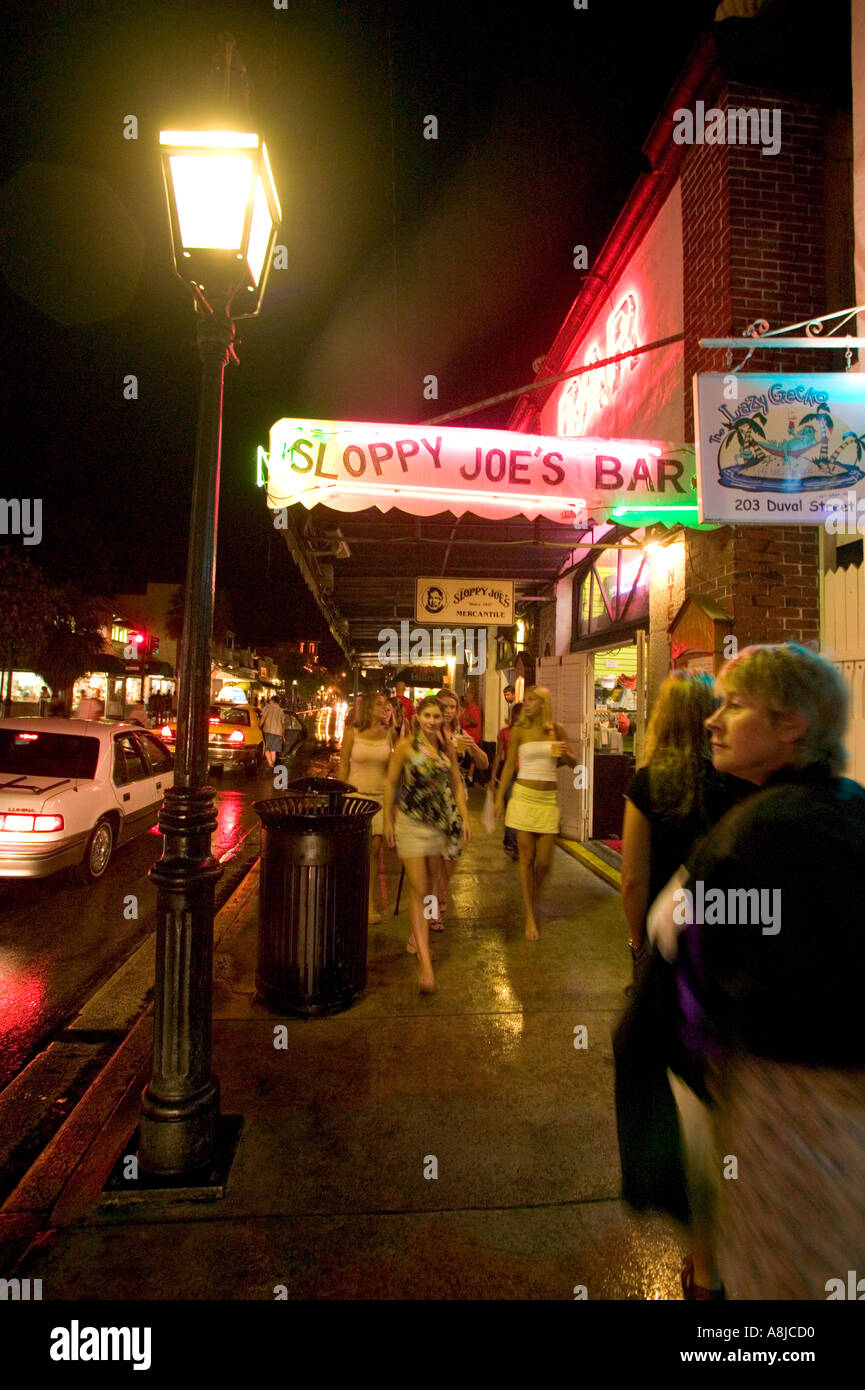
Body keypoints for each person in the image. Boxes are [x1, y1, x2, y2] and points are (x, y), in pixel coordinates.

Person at [650, 643, 865, 1301]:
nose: (713, 720)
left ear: (791, 723)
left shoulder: (757, 831)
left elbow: (690, 951)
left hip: (780, 1106)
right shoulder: (848, 805)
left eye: (734, 705)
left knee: (780, 1278)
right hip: (838, 1108)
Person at [615, 671, 753, 1298]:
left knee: (684, 1101)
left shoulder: (649, 783)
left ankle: (702, 1264)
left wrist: (639, 948)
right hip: (736, 956)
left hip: (675, 956)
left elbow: (633, 882)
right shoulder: (743, 782)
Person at [383, 695, 470, 993]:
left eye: (437, 716)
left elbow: (456, 781)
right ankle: (425, 964)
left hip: (439, 824)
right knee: (419, 888)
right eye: (428, 716)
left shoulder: (446, 746)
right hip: (410, 822)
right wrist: (387, 822)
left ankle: (417, 940)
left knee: (430, 889)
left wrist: (465, 817)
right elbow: (391, 783)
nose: (433, 721)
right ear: (418, 717)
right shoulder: (407, 746)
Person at [492, 686, 577, 939]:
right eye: (525, 700)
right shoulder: (519, 730)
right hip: (523, 797)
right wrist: (498, 798)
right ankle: (530, 914)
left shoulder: (555, 729)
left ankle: (533, 898)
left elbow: (572, 763)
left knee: (544, 863)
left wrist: (566, 754)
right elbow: (509, 767)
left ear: (543, 704)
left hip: (547, 799)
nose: (526, 704)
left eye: (532, 700)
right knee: (526, 859)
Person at [432, 687, 489, 931]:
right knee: (433, 856)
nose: (448, 711)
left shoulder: (459, 732)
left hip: (457, 797)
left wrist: (472, 747)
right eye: (443, 707)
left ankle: (440, 894)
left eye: (452, 707)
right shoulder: (429, 731)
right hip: (433, 797)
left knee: (452, 854)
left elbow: (484, 763)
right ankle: (433, 909)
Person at [338, 690, 394, 925]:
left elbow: (393, 773)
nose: (386, 708)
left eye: (387, 705)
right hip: (355, 798)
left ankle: (369, 904)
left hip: (379, 800)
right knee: (353, 854)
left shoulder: (390, 733)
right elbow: (343, 766)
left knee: (373, 853)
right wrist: (340, 799)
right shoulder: (352, 733)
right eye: (380, 704)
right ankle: (349, 900)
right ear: (370, 707)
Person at [491, 701, 523, 859]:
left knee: (520, 810)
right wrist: (492, 777)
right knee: (511, 809)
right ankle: (512, 842)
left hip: (525, 776)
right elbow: (498, 756)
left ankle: (513, 841)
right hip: (509, 775)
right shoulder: (504, 733)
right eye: (515, 717)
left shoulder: (529, 734)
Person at [258, 693, 285, 768]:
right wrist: (283, 735)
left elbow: (263, 718)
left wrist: (259, 727)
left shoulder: (267, 708)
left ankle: (270, 763)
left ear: (272, 701)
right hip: (278, 732)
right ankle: (272, 765)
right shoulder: (281, 711)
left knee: (266, 748)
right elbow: (283, 724)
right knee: (273, 750)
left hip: (268, 731)